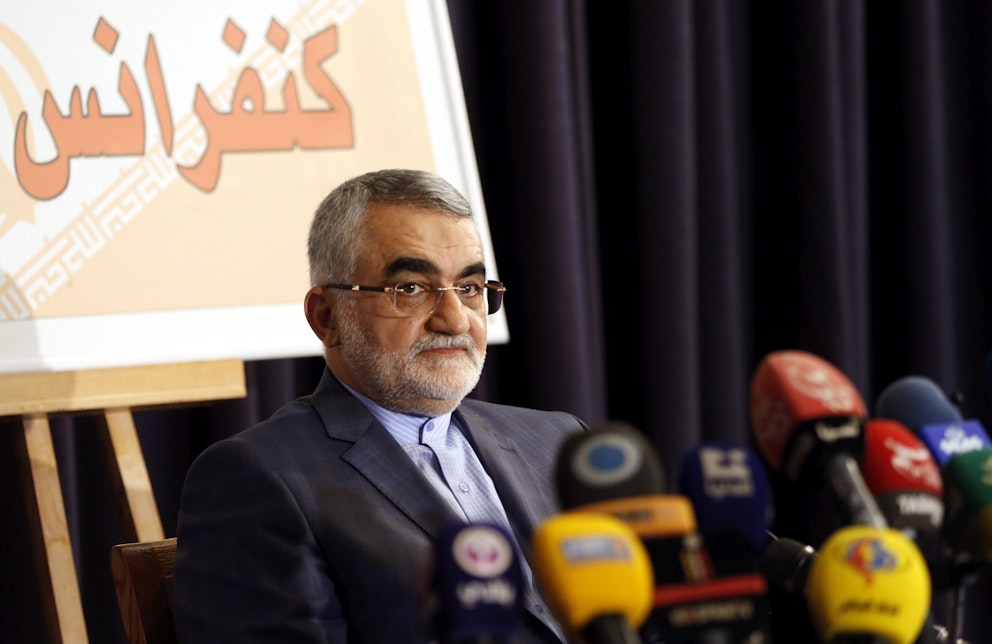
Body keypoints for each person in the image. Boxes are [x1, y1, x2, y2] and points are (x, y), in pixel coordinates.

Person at [173, 169, 587, 642]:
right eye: (411, 289)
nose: (455, 320)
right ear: (327, 317)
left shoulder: (557, 442)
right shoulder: (260, 477)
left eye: (469, 288)